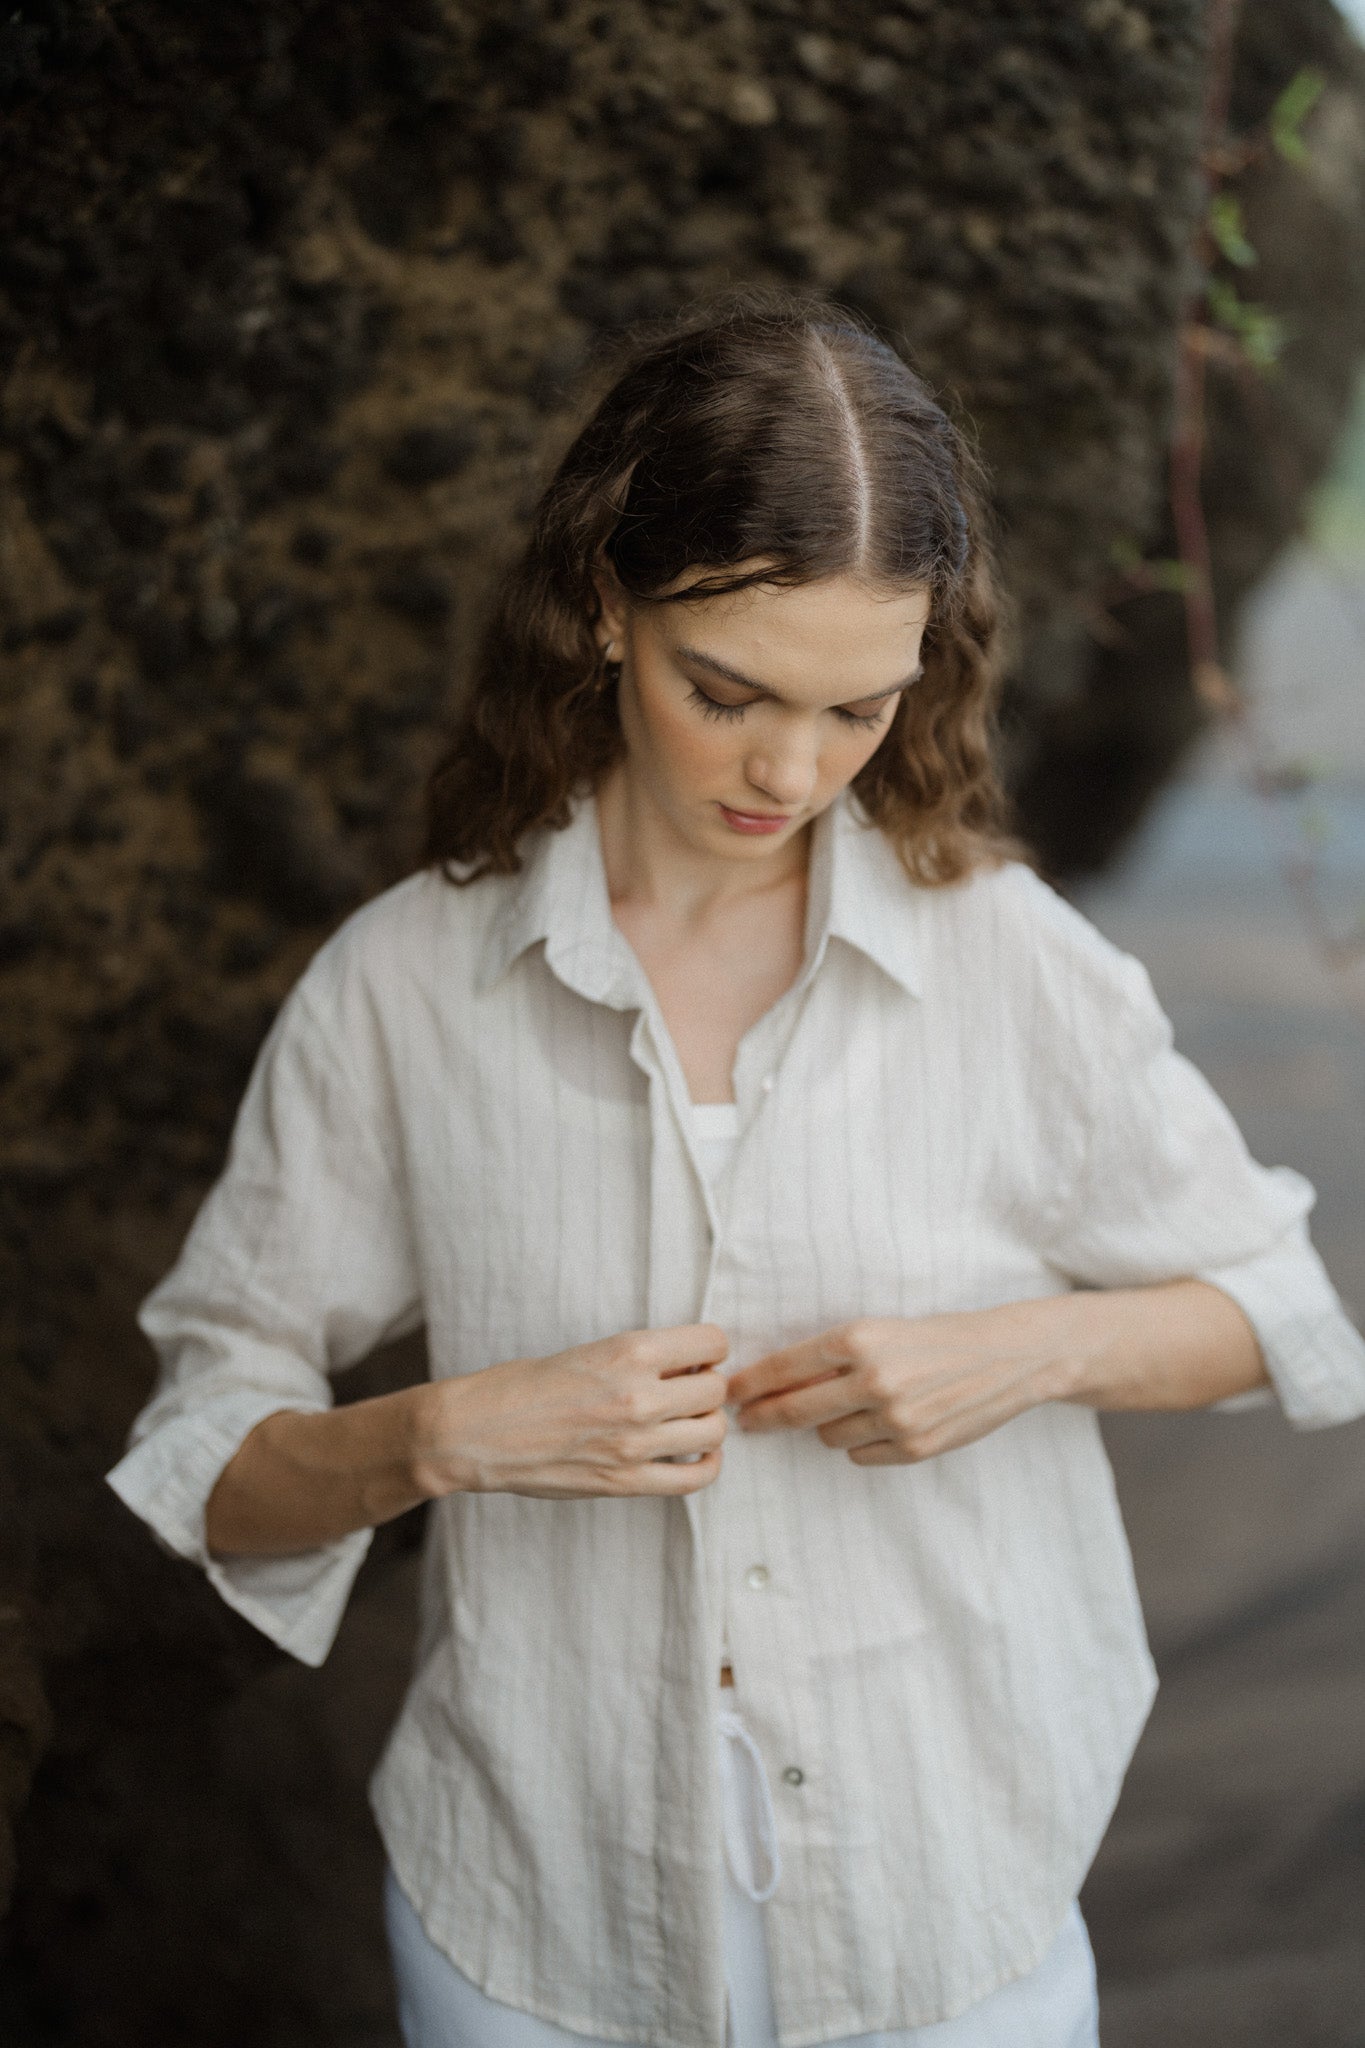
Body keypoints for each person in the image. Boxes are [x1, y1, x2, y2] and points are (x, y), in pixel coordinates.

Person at [107, 293, 1365, 2048]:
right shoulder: (405, 987)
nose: (791, 769)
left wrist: (1023, 1349)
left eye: (860, 705)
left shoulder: (1009, 964)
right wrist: (438, 1435)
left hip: (952, 1910)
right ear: (606, 605)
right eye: (728, 691)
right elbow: (206, 1458)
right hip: (527, 1924)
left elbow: (1284, 1314)